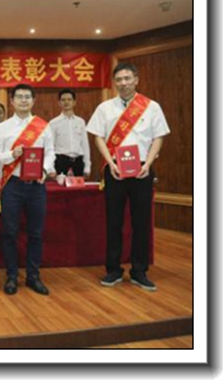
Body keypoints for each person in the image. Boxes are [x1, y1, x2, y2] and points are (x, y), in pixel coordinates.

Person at [87, 63, 170, 291]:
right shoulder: (105, 108)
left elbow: (159, 137)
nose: (123, 83)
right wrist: (110, 162)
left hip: (142, 169)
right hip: (114, 169)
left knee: (141, 221)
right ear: (114, 83)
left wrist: (149, 164)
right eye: (119, 79)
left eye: (127, 78)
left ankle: (139, 270)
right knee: (113, 221)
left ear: (136, 80)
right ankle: (113, 269)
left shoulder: (151, 107)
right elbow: (98, 137)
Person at [0, 84, 56, 296]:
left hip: (36, 185)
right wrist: (12, 154)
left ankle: (33, 276)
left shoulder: (43, 126)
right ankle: (11, 275)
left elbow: (51, 153)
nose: (23, 100)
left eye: (27, 97)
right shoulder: (3, 128)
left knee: (36, 233)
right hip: (13, 184)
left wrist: (44, 170)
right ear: (12, 101)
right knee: (9, 232)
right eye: (19, 97)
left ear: (33, 100)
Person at [49, 89, 91, 177]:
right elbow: (50, 146)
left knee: (79, 186)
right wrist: (51, 167)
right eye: (63, 100)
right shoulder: (53, 123)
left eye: (69, 99)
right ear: (59, 103)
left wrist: (87, 165)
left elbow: (85, 145)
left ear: (74, 102)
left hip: (78, 161)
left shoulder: (80, 122)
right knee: (60, 186)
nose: (66, 102)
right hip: (61, 160)